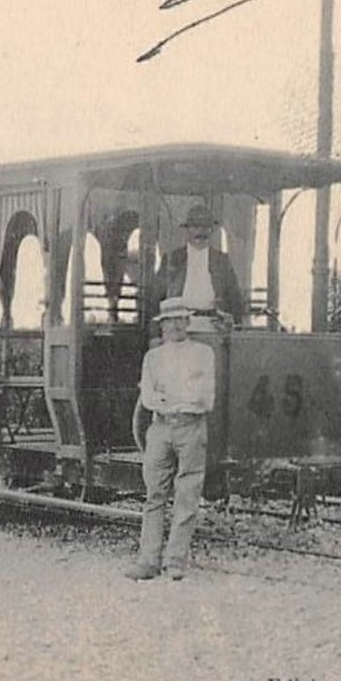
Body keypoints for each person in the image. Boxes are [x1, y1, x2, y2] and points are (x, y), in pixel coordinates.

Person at [128, 296, 216, 581]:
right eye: (169, 320)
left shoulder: (203, 353)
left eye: (179, 319)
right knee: (154, 494)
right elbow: (149, 397)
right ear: (161, 324)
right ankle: (148, 561)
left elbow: (204, 397)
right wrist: (172, 399)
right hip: (161, 429)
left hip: (191, 427)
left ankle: (175, 561)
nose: (174, 325)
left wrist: (173, 399)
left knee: (187, 494)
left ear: (187, 322)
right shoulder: (153, 357)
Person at [151, 203, 245, 329]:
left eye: (206, 227)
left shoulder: (222, 261)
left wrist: (234, 326)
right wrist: (155, 334)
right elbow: (155, 298)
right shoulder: (173, 259)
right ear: (187, 230)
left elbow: (235, 299)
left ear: (211, 230)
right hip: (179, 327)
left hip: (213, 326)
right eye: (195, 227)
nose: (201, 232)